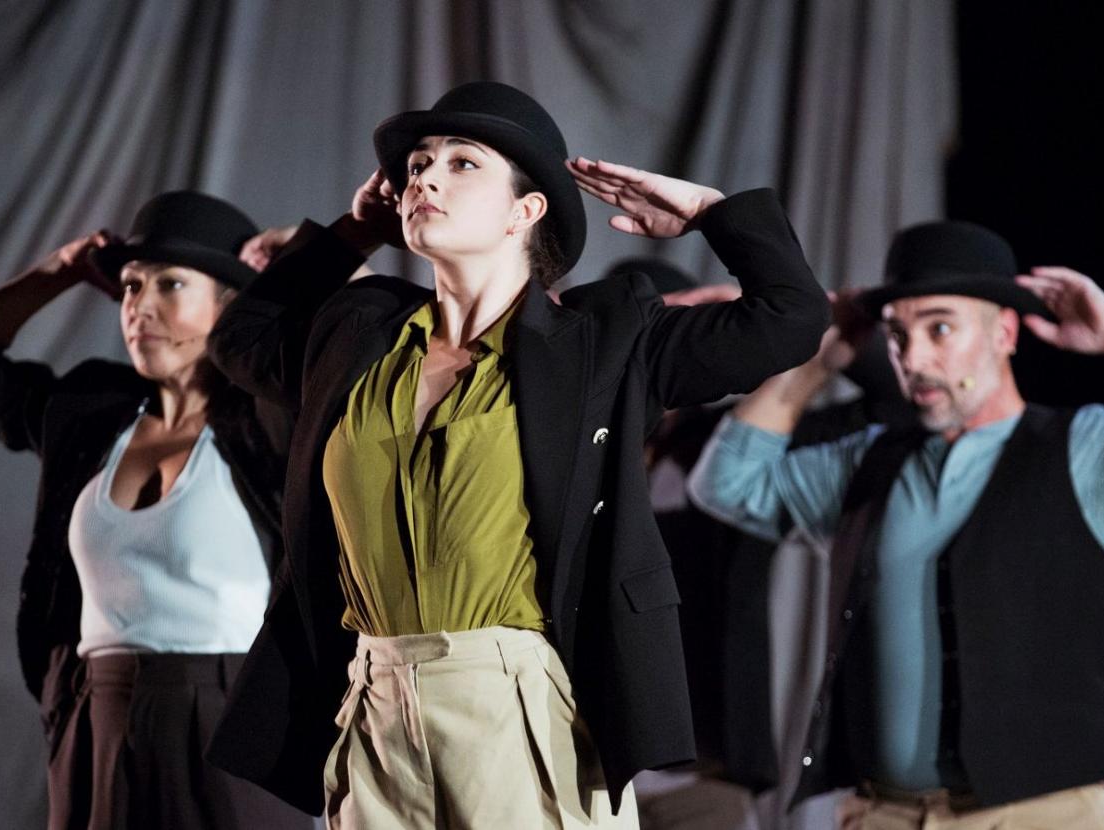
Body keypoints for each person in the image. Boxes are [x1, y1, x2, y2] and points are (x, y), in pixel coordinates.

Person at [201, 81, 830, 828]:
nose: (425, 178)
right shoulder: (360, 334)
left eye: (462, 163)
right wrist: (352, 233)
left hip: (513, 698)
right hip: (372, 700)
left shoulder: (600, 341)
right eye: (417, 165)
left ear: (525, 211)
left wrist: (708, 213)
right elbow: (238, 340)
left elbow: (791, 318)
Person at [687, 220, 1104, 829]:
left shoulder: (1086, 453)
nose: (912, 360)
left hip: (1035, 815)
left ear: (1003, 332)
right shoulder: (867, 463)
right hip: (881, 813)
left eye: (939, 329)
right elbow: (724, 487)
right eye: (897, 335)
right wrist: (815, 363)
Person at [0, 191, 311, 829]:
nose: (140, 306)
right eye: (131, 285)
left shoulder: (274, 418)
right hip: (98, 716)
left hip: (229, 719)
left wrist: (318, 254)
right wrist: (60, 270)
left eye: (170, 284)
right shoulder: (91, 412)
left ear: (229, 304)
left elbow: (381, 365)